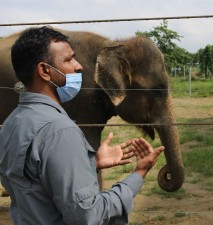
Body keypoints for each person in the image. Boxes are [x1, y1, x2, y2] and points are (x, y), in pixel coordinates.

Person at [0, 26, 165, 225]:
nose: (79, 66)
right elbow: (87, 215)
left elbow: (35, 180)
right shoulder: (61, 131)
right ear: (44, 71)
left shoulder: (10, 123)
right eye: (69, 60)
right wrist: (137, 176)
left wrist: (87, 164)